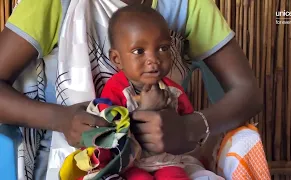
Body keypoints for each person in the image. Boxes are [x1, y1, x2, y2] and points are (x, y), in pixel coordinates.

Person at [0, 0, 264, 179]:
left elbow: (247, 92)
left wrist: (189, 127)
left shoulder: (186, 5)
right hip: (74, 160)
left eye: (161, 48)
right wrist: (61, 118)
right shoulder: (55, 4)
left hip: (171, 156)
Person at [97, 5, 223, 179]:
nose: (153, 60)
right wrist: (144, 110)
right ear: (117, 59)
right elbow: (108, 132)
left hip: (168, 161)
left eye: (163, 48)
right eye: (139, 51)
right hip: (130, 165)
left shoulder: (174, 91)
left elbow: (189, 131)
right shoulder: (116, 89)